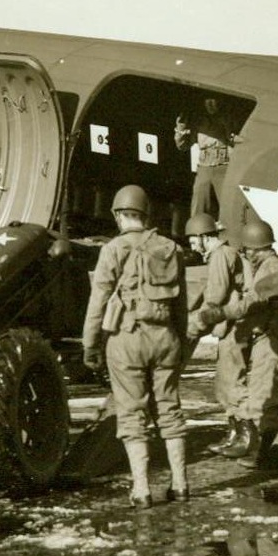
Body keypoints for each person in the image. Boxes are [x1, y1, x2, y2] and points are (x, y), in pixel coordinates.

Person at [82, 184, 190, 508]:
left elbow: (97, 301)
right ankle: (181, 484)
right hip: (166, 337)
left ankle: (142, 489)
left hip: (127, 340)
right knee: (170, 410)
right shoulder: (172, 249)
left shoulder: (112, 250)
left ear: (118, 215)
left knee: (132, 413)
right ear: (146, 215)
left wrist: (90, 344)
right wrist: (181, 342)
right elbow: (182, 305)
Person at [199, 219, 278, 469]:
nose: (246, 255)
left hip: (272, 340)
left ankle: (261, 455)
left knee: (263, 398)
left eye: (248, 251)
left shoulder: (269, 267)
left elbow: (253, 301)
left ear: (256, 249)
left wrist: (219, 313)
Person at [183, 212, 250, 456]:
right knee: (224, 381)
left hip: (234, 327)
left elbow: (215, 296)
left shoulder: (221, 255)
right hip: (230, 327)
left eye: (193, 241)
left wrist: (195, 325)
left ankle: (246, 436)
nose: (193, 247)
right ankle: (234, 433)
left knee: (232, 380)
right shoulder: (224, 254)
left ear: (203, 237)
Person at [174, 97, 240, 219]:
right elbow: (182, 146)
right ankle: (196, 232)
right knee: (199, 205)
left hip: (224, 166)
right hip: (204, 167)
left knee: (229, 206)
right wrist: (180, 128)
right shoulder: (199, 121)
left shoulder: (227, 118)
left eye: (213, 101)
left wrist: (228, 127)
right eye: (207, 101)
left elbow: (235, 141)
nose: (210, 105)